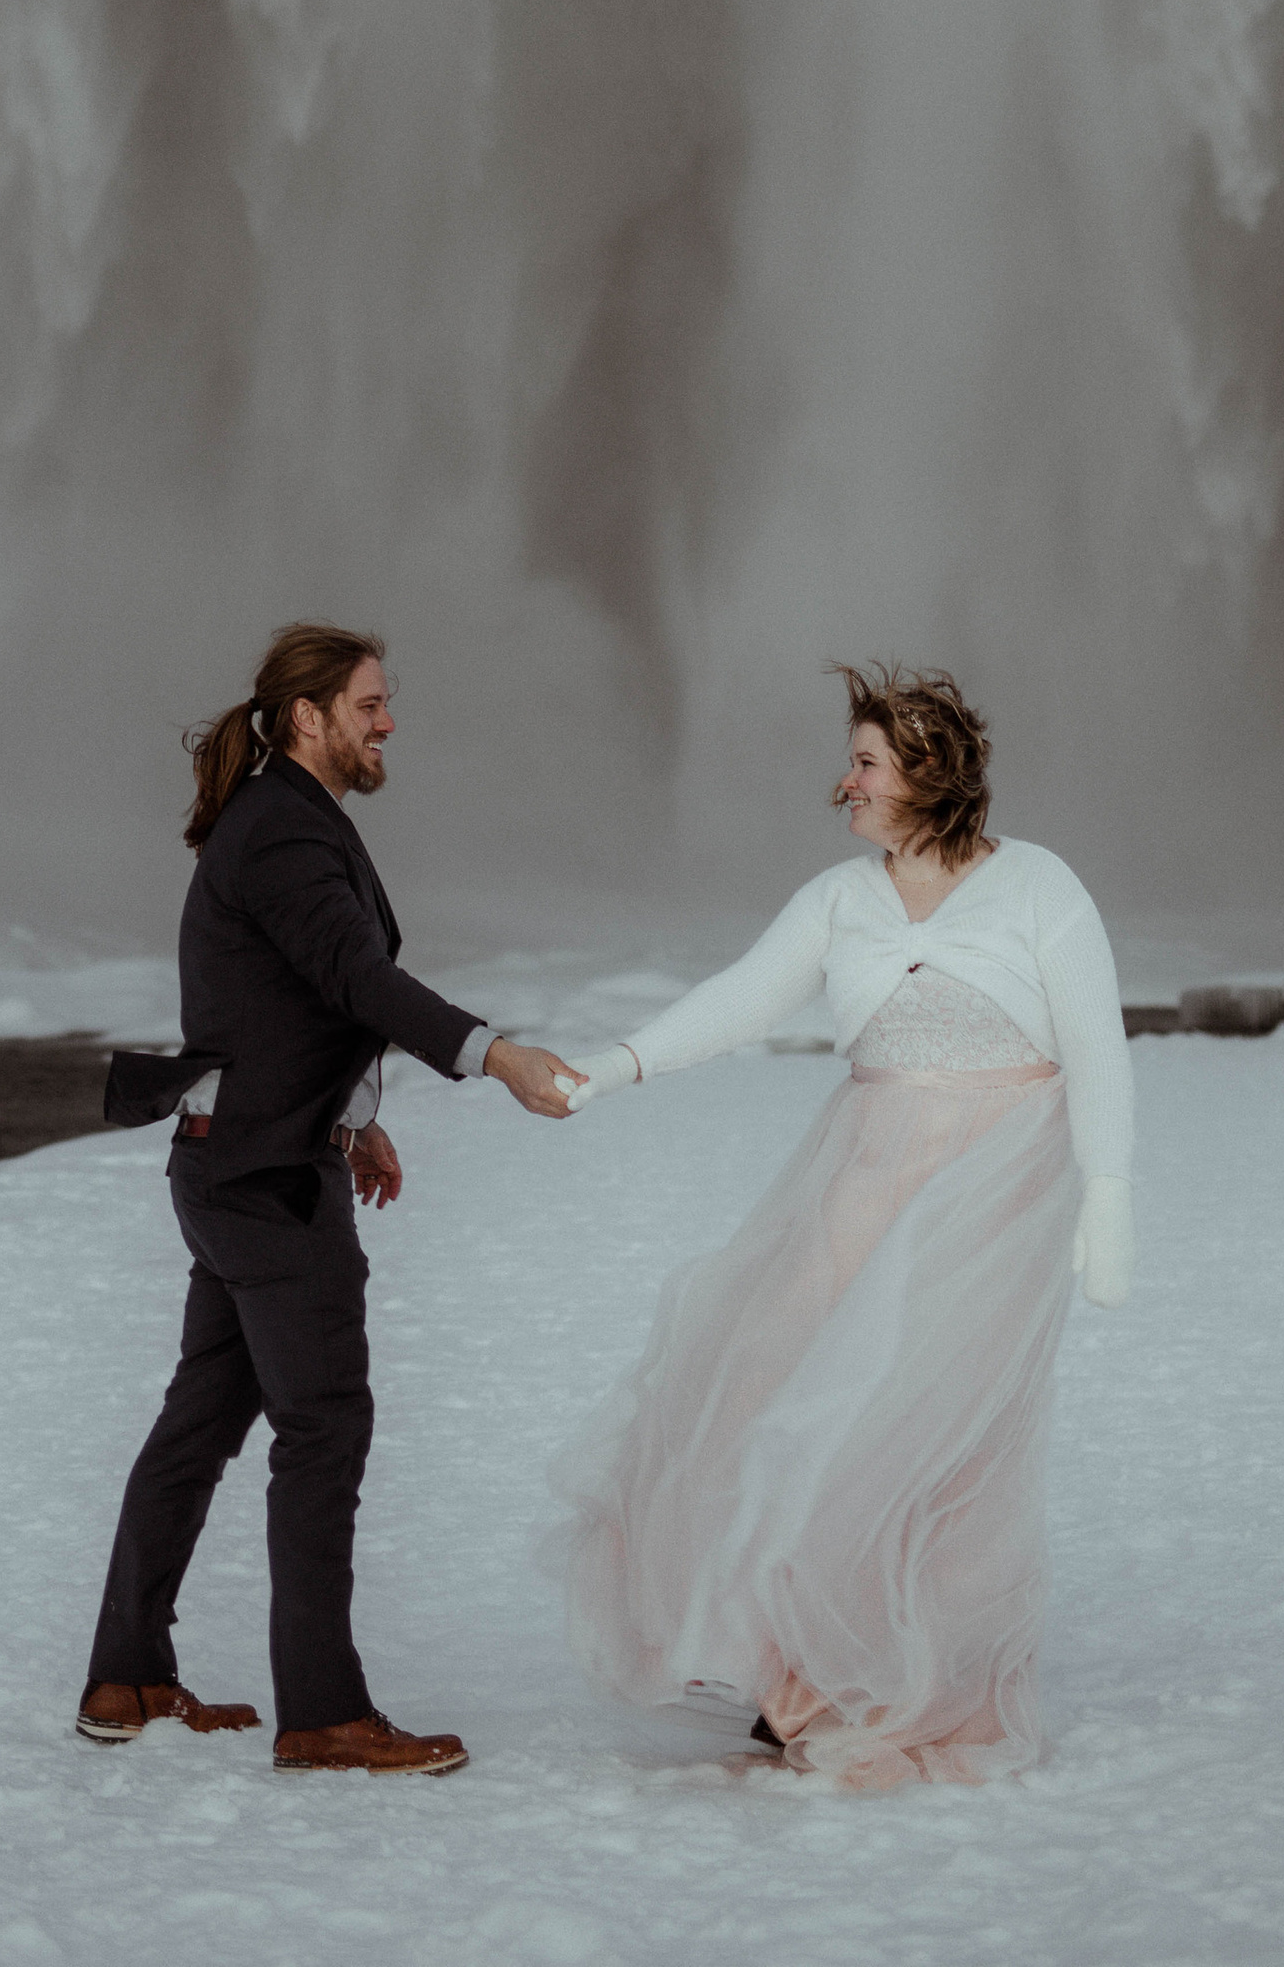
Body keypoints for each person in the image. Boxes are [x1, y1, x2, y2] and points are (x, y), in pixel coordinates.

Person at [551, 661, 1133, 1789]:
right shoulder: (839, 899)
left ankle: (909, 1677)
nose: (845, 784)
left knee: (928, 1439)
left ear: (927, 771)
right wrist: (610, 1068)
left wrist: (1107, 1201)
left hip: (994, 1190)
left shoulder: (1039, 888)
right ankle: (792, 1674)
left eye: (865, 762)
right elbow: (739, 998)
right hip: (860, 1178)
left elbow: (1097, 1048)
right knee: (778, 1392)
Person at [78, 621, 578, 1776]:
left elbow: (294, 1001)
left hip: (234, 1164)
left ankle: (129, 1674)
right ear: (307, 716)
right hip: (261, 1184)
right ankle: (321, 1713)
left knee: (200, 1423)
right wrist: (493, 1056)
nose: (387, 721)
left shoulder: (276, 822)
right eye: (369, 704)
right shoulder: (284, 831)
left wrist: (354, 1116)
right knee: (324, 1427)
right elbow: (357, 978)